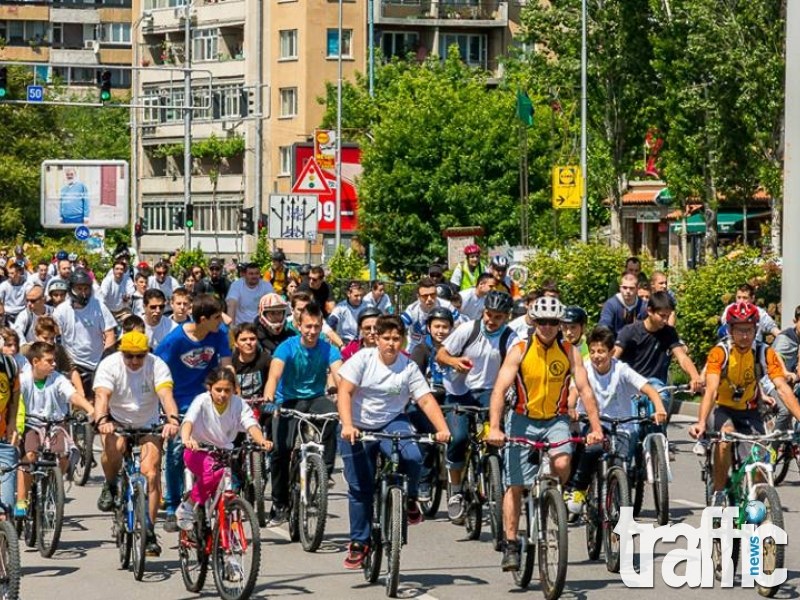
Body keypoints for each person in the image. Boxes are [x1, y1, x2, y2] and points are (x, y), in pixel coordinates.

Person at [486, 296, 603, 572]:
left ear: (560, 324)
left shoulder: (569, 351)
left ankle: (552, 498)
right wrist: (494, 427)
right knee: (515, 484)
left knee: (563, 463)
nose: (548, 327)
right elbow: (499, 390)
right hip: (522, 418)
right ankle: (512, 543)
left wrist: (596, 428)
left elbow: (585, 390)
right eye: (543, 322)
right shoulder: (520, 349)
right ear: (534, 322)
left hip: (555, 418)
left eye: (553, 322)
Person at [338, 315, 450, 569]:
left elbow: (425, 400)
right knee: (360, 488)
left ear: (403, 340)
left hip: (392, 421)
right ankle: (359, 542)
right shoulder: (362, 360)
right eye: (386, 338)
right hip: (358, 425)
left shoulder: (408, 367)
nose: (391, 344)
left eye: (396, 339)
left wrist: (442, 429)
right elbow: (345, 392)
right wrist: (347, 425)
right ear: (376, 338)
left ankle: (409, 498)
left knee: (413, 455)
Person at [689, 302, 800, 506]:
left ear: (756, 329)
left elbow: (783, 389)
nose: (745, 335)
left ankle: (754, 507)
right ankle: (719, 493)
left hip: (750, 412)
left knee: (759, 461)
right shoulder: (719, 353)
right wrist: (701, 422)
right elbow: (711, 390)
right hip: (722, 409)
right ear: (730, 330)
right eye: (739, 330)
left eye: (749, 330)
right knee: (725, 439)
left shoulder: (764, 353)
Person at [562, 326, 667, 515]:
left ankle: (619, 497)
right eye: (593, 351)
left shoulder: (621, 370)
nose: (596, 356)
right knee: (592, 450)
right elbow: (574, 391)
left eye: (601, 351)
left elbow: (648, 389)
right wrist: (571, 408)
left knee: (621, 461)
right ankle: (578, 489)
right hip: (593, 423)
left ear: (611, 352)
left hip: (621, 425)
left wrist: (659, 408)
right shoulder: (584, 368)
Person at [93, 331, 180, 556]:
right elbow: (102, 396)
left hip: (147, 423)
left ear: (146, 353)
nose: (134, 361)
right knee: (115, 448)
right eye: (129, 356)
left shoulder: (157, 365)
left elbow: (166, 396)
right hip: (117, 421)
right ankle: (111, 484)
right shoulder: (109, 365)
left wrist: (172, 419)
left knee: (150, 473)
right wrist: (102, 420)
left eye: (139, 356)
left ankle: (149, 530)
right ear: (121, 353)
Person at [436, 290, 518, 523]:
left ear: (507, 317)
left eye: (498, 317)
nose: (492, 320)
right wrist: (454, 362)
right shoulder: (468, 330)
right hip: (460, 392)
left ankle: (494, 482)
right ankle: (455, 490)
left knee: (496, 438)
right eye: (489, 315)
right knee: (459, 438)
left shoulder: (510, 338)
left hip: (491, 393)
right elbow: (441, 354)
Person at [155, 294, 233, 532]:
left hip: (207, 398)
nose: (222, 321)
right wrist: (167, 409)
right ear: (202, 319)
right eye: (217, 317)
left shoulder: (218, 334)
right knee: (178, 449)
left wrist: (232, 390)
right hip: (179, 401)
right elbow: (158, 370)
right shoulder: (175, 340)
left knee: (223, 445)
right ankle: (172, 504)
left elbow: (227, 364)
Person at [262, 301, 341, 526]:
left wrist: (345, 399)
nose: (312, 331)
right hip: (288, 400)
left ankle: (323, 472)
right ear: (298, 325)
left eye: (316, 326)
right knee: (280, 449)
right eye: (307, 326)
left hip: (315, 398)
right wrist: (269, 399)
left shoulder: (328, 348)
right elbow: (274, 376)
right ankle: (279, 504)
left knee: (332, 417)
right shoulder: (287, 347)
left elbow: (339, 375)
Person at [175, 368, 272, 530]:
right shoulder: (201, 400)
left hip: (223, 454)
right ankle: (188, 505)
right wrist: (186, 439)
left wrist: (262, 440)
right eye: (218, 390)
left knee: (228, 483)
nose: (222, 394)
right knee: (214, 472)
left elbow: (251, 425)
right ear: (209, 388)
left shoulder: (238, 403)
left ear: (234, 390)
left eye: (227, 390)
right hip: (198, 451)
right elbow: (188, 421)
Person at [15, 342, 94, 517]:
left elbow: (72, 395)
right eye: (49, 361)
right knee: (29, 457)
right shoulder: (24, 379)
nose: (54, 364)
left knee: (63, 456)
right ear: (35, 361)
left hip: (55, 423)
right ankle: (22, 500)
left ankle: (53, 485)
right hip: (31, 423)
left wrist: (90, 409)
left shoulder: (57, 378)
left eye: (54, 361)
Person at [615, 291, 704, 418]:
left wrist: (695, 376)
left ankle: (660, 436)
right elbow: (614, 357)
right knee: (630, 427)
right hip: (631, 385)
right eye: (662, 316)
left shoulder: (669, 332)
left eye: (668, 316)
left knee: (661, 406)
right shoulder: (629, 331)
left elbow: (682, 357)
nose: (665, 320)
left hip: (656, 385)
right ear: (650, 311)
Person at [409, 306, 453, 501]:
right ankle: (424, 481)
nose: (440, 331)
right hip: (427, 399)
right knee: (429, 440)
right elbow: (413, 377)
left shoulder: (456, 348)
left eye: (445, 327)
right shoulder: (421, 349)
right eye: (436, 326)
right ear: (429, 327)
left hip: (450, 398)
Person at [53, 268, 117, 398]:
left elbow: (109, 333)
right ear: (71, 289)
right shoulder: (61, 311)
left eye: (86, 289)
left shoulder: (98, 306)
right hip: (72, 363)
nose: (83, 293)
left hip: (97, 362)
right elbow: (54, 336)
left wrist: (105, 360)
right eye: (79, 289)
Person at [401, 277, 458, 354]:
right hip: (416, 349)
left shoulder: (448, 307)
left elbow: (459, 328)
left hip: (442, 348)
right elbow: (399, 328)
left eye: (433, 295)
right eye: (425, 296)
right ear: (418, 297)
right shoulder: (412, 310)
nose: (430, 299)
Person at [598, 272, 648, 336]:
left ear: (637, 289)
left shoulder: (643, 306)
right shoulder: (611, 305)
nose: (628, 291)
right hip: (614, 342)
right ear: (620, 288)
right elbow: (604, 325)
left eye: (631, 288)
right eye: (624, 287)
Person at [232, 323, 272, 401]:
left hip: (260, 404)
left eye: (252, 339)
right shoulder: (231, 362)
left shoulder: (266, 359)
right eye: (243, 340)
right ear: (236, 343)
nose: (249, 342)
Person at [328, 281, 367, 345]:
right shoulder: (341, 307)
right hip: (344, 342)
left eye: (361, 295)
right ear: (348, 294)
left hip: (362, 342)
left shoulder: (367, 306)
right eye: (356, 296)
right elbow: (330, 323)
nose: (359, 298)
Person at [100, 258, 134, 322]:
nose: (119, 271)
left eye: (121, 269)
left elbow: (131, 292)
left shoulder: (128, 280)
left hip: (123, 311)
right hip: (108, 311)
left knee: (131, 320)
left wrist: (128, 297)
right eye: (117, 269)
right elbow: (103, 295)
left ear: (124, 271)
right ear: (113, 270)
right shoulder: (107, 281)